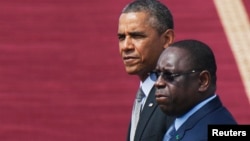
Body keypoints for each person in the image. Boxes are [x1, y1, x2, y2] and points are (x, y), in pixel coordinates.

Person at [153, 39, 238, 141]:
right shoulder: (184, 117)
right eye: (157, 74)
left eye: (169, 75)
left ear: (203, 81)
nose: (158, 83)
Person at [117, 0, 175, 140]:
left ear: (167, 39)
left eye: (137, 36)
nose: (126, 46)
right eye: (121, 37)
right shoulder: (145, 93)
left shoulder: (178, 98)